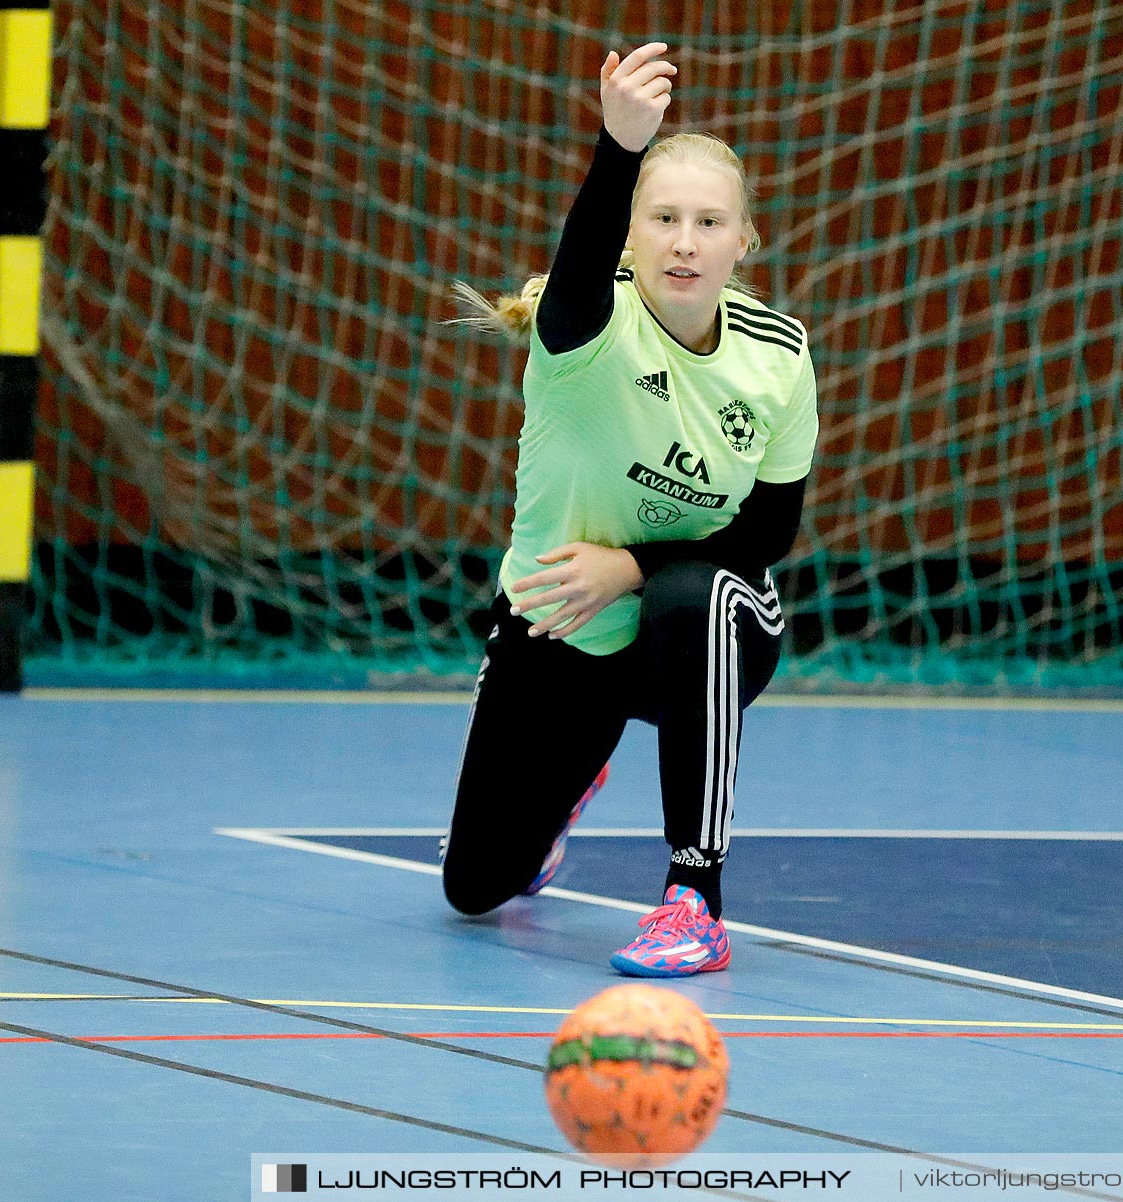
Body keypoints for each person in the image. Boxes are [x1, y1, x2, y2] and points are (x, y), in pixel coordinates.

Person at [440, 41, 818, 977]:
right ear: (630, 235)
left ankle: (695, 897)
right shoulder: (585, 328)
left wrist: (635, 567)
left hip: (697, 625)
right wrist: (619, 146)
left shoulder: (777, 357)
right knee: (478, 886)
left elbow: (768, 532)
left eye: (708, 222)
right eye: (662, 219)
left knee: (695, 597)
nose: (685, 241)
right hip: (561, 626)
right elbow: (573, 273)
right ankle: (572, 781)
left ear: (742, 243)